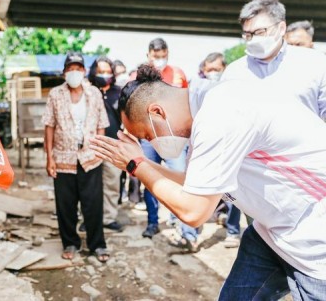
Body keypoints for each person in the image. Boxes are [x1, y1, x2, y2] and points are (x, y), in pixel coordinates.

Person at [91, 64, 326, 300]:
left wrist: (137, 166)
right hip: (271, 231)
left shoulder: (220, 113)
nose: (152, 144)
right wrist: (141, 161)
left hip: (311, 240)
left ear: (157, 112)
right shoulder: (200, 110)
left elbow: (195, 211)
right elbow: (191, 183)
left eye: (147, 136)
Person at [42, 52, 110, 262]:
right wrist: (49, 158)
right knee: (66, 205)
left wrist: (99, 151)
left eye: (78, 68)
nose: (74, 72)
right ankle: (70, 243)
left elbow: (101, 125)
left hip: (90, 157)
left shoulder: (94, 94)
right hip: (63, 158)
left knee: (93, 204)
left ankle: (97, 244)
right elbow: (49, 126)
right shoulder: (55, 94)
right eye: (70, 69)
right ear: (64, 73)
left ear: (83, 71)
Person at [221, 0, 326, 120]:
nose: (254, 39)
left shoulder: (315, 63)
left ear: (281, 28)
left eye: (260, 32)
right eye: (248, 35)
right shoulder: (234, 72)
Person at [190, 52, 242, 249]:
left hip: (231, 146)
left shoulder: (234, 87)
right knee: (199, 189)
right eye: (209, 69)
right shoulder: (197, 88)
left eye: (216, 70)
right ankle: (191, 233)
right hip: (205, 146)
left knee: (234, 192)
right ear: (203, 70)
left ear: (224, 68)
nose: (212, 73)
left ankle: (233, 231)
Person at [140, 38, 189, 239]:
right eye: (155, 56)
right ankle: (152, 222)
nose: (159, 60)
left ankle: (180, 221)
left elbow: (186, 101)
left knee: (180, 178)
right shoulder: (139, 76)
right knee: (150, 180)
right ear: (148, 55)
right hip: (148, 137)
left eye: (163, 56)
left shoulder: (177, 74)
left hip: (173, 137)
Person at [88, 56, 123, 232]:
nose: (104, 75)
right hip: (90, 146)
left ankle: (109, 218)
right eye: (101, 71)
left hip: (112, 146)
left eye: (108, 71)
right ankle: (88, 217)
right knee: (90, 185)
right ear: (94, 72)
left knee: (112, 183)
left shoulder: (119, 92)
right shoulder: (87, 92)